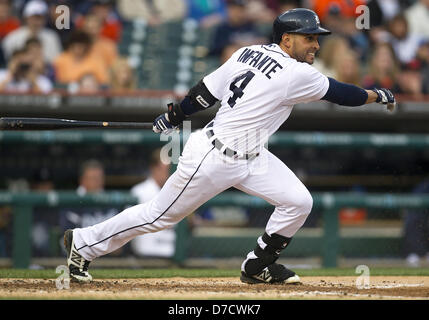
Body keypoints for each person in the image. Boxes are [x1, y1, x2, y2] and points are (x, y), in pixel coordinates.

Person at [64, 8, 396, 283]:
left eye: (316, 39)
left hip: (253, 157)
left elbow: (203, 94)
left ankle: (258, 265)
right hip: (213, 156)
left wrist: (176, 115)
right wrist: (377, 94)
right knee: (159, 216)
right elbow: (344, 94)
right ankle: (84, 242)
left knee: (298, 201)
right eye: (309, 38)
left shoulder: (246, 52)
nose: (315, 46)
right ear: (286, 38)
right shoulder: (296, 73)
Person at [130, 148, 176, 258]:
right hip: (146, 255)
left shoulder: (177, 192)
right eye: (165, 169)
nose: (168, 173)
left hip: (172, 252)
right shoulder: (139, 192)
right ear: (153, 168)